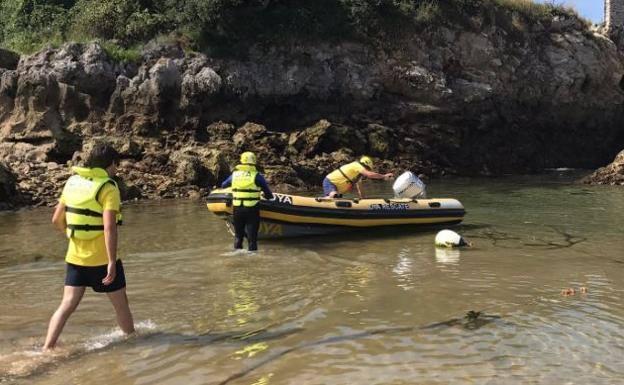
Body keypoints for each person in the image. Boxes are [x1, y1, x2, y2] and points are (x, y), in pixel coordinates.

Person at [44, 144, 134, 350]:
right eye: (116, 165)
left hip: (75, 257)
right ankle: (133, 344)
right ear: (110, 164)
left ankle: (47, 348)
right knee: (121, 306)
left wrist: (72, 235)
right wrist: (112, 262)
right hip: (102, 258)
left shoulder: (72, 181)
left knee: (66, 305)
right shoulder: (108, 187)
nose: (116, 169)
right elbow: (110, 227)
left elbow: (56, 219)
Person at [221, 151, 273, 251]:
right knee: (252, 239)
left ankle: (237, 255)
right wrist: (262, 194)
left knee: (238, 237)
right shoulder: (257, 176)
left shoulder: (234, 175)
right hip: (251, 210)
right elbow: (269, 195)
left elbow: (223, 185)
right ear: (254, 162)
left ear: (241, 161)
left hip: (237, 210)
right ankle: (252, 260)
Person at [323, 156, 394, 198]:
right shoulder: (356, 165)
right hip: (330, 182)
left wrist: (363, 200)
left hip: (337, 189)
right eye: (367, 168)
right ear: (364, 164)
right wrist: (384, 176)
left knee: (336, 197)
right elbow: (369, 174)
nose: (367, 170)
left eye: (368, 169)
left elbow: (359, 188)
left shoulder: (358, 176)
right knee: (334, 196)